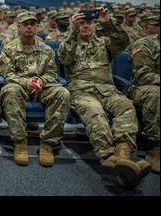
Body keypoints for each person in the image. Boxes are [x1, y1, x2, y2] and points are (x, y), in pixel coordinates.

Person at [58, 8, 151, 188]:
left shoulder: (105, 43)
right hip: (81, 91)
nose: (85, 26)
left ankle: (123, 154)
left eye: (89, 23)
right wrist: (72, 29)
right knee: (94, 111)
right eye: (82, 23)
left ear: (94, 25)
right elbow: (65, 58)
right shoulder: (68, 43)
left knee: (126, 106)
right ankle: (109, 156)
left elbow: (123, 42)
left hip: (107, 90)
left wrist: (107, 22)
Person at [0, 12, 70, 167]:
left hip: (41, 88)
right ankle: (20, 142)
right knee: (10, 91)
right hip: (19, 86)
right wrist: (26, 81)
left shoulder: (47, 50)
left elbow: (52, 73)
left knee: (62, 93)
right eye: (25, 24)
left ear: (37, 26)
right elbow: (6, 73)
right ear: (18, 27)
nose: (29, 27)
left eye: (32, 24)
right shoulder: (9, 49)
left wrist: (41, 81)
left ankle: (47, 143)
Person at [126, 15, 160, 173]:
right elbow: (144, 76)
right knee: (156, 94)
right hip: (142, 89)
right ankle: (154, 146)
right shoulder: (144, 44)